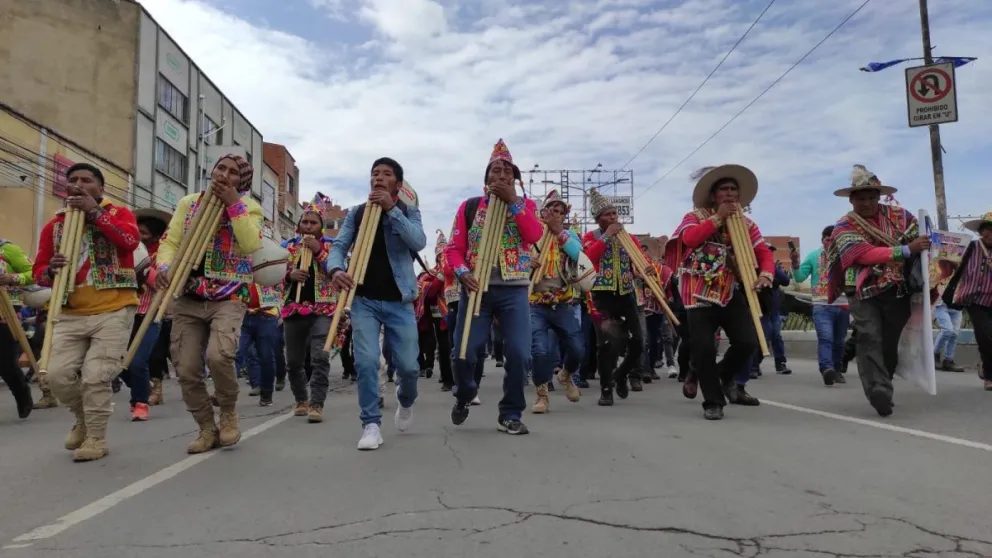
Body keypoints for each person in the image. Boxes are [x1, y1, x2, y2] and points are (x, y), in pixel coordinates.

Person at [154, 154, 264, 453]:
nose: (224, 175)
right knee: (186, 366)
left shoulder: (250, 207)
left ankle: (227, 411)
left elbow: (251, 243)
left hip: (229, 295)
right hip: (188, 294)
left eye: (233, 172)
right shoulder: (189, 203)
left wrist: (233, 205)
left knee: (219, 356)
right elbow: (171, 241)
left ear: (242, 181)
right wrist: (164, 267)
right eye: (220, 169)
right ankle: (206, 427)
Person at [33, 163, 141, 461]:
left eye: (86, 180)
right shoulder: (54, 225)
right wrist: (50, 270)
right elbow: (38, 271)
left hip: (113, 308)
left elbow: (129, 241)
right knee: (54, 375)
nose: (79, 185)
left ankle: (96, 437)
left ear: (100, 188)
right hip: (70, 312)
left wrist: (95, 212)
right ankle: (83, 417)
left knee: (96, 376)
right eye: (73, 180)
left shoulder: (119, 214)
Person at [445, 139, 542, 434]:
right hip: (477, 288)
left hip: (513, 289)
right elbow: (453, 249)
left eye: (507, 172)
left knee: (520, 354)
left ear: (514, 178)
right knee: (464, 351)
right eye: (495, 171)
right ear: (486, 178)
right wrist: (463, 272)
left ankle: (510, 413)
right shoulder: (470, 207)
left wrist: (514, 202)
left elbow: (533, 234)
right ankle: (464, 393)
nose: (501, 176)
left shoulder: (527, 205)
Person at [328, 157, 426, 450]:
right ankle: (371, 424)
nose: (379, 178)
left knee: (409, 366)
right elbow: (339, 245)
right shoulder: (357, 213)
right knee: (367, 361)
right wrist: (336, 269)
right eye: (375, 173)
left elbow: (418, 241)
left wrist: (392, 211)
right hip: (364, 300)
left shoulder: (409, 211)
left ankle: (406, 400)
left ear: (398, 183)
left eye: (386, 174)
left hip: (400, 300)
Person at [663, 165, 772, 420]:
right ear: (713, 195)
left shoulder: (747, 224)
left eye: (734, 190)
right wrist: (717, 219)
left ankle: (719, 374)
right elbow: (690, 239)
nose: (730, 194)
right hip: (697, 293)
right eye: (724, 189)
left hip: (728, 291)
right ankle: (713, 401)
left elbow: (763, 252)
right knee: (704, 349)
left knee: (748, 342)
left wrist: (766, 274)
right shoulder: (694, 216)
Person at [826, 165, 929, 417]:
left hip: (898, 288)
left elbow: (922, 235)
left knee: (890, 342)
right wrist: (906, 250)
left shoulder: (901, 216)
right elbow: (864, 255)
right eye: (860, 198)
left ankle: (885, 384)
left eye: (871, 197)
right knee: (869, 335)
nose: (866, 203)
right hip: (862, 288)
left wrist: (928, 242)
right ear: (851, 200)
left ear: (879, 196)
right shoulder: (843, 226)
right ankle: (878, 390)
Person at [582, 188, 645, 406]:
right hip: (601, 296)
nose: (613, 217)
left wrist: (645, 269)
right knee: (607, 344)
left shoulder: (629, 238)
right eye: (607, 214)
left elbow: (640, 261)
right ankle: (606, 388)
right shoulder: (591, 237)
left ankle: (620, 374)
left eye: (614, 214)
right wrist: (607, 235)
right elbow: (589, 257)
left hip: (626, 294)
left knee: (638, 342)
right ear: (598, 219)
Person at [528, 190, 584, 413]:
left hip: (562, 302)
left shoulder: (569, 235)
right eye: (552, 210)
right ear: (543, 212)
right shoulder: (532, 233)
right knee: (540, 351)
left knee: (577, 347)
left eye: (560, 212)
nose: (556, 214)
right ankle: (542, 395)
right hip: (535, 303)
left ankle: (566, 375)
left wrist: (559, 232)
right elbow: (518, 255)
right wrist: (527, 260)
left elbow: (579, 255)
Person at [282, 194, 337, 421]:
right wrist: (289, 275)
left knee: (320, 358)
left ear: (320, 226)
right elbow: (272, 274)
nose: (308, 226)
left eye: (313, 222)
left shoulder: (333, 246)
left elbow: (339, 270)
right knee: (293, 361)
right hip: (293, 308)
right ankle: (301, 399)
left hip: (323, 309)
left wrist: (318, 251)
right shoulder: (287, 247)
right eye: (304, 222)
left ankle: (316, 404)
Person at [120, 207, 171, 420]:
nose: (140, 236)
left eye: (145, 233)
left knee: (138, 362)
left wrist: (144, 270)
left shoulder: (163, 256)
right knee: (116, 363)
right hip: (124, 313)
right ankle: (144, 385)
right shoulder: (125, 249)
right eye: (137, 231)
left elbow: (161, 283)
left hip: (149, 315)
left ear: (156, 237)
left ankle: (139, 403)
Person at [792, 225, 850, 385]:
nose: (830, 243)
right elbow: (799, 278)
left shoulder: (847, 255)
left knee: (839, 341)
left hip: (843, 304)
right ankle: (826, 369)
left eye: (834, 240)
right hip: (821, 304)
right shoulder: (813, 256)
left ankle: (836, 370)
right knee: (826, 338)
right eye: (827, 239)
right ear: (822, 240)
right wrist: (795, 265)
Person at [941, 210, 992, 391]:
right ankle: (989, 376)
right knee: (987, 336)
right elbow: (950, 264)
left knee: (985, 339)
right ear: (981, 232)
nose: (990, 234)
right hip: (974, 300)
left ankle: (986, 367)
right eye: (987, 229)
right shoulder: (969, 247)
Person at [0, 237, 36, 418]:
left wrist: (11, 278)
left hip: (6, 311)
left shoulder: (8, 250)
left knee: (6, 363)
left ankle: (22, 394)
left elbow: (34, 273)